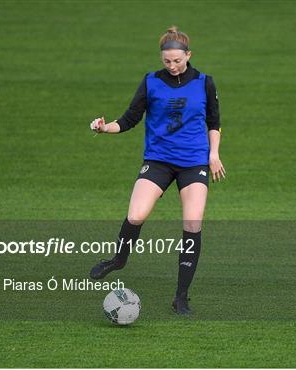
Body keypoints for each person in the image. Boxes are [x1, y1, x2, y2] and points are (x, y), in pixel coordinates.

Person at [88, 26, 225, 315]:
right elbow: (129, 119)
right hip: (159, 159)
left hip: (194, 162)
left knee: (192, 222)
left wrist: (213, 155)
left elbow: (214, 122)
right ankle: (118, 260)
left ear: (188, 55)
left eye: (177, 60)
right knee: (136, 215)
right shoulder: (151, 82)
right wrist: (104, 128)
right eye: (167, 61)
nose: (172, 66)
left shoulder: (204, 83)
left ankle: (181, 296)